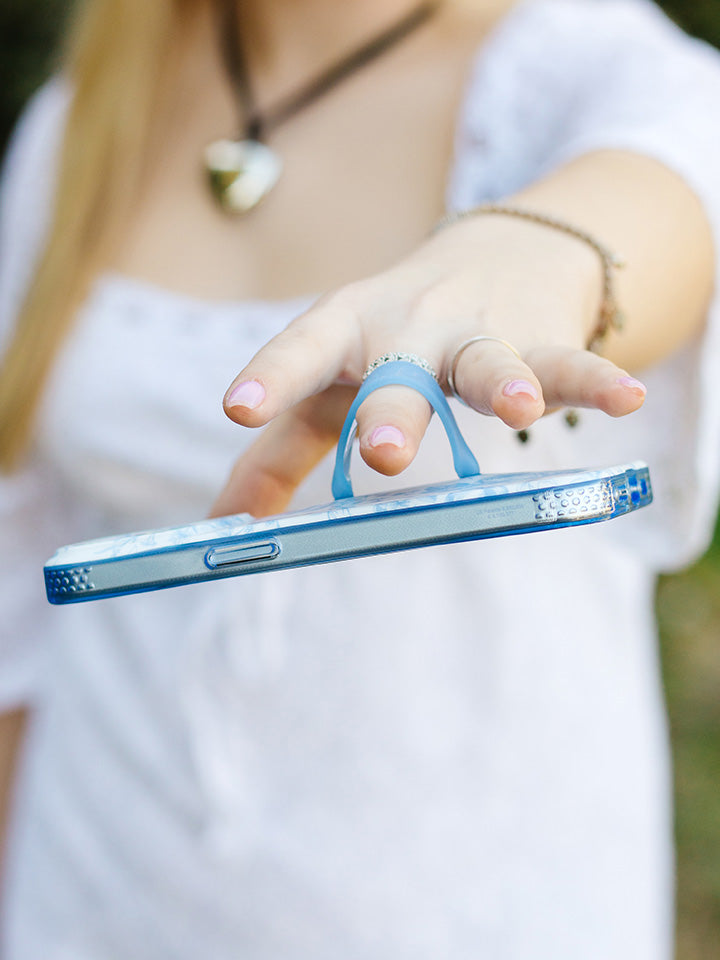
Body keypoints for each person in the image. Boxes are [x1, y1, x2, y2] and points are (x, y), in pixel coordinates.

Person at [1, 0, 719, 956]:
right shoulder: (78, 121)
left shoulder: (602, 68)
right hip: (90, 896)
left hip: (474, 916)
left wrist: (518, 263)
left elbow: (658, 192)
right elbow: (20, 607)